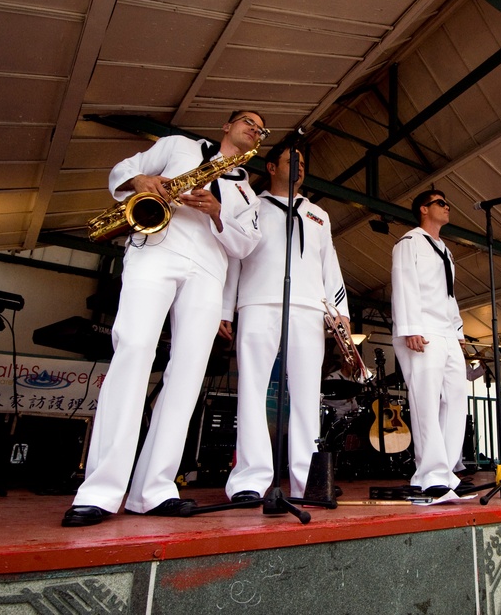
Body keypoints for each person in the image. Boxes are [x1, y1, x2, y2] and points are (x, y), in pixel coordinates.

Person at [61, 110, 267, 527]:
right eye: (247, 120)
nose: (254, 128)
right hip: (157, 248)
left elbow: (246, 246)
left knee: (188, 374)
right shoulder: (179, 147)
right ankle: (100, 490)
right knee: (134, 350)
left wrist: (216, 212)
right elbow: (126, 169)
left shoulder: (249, 195)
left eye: (261, 129)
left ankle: (153, 489)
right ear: (226, 125)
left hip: (209, 272)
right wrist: (141, 182)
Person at [222, 138, 350, 502]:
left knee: (308, 394)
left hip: (309, 307)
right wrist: (224, 308)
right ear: (272, 168)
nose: (299, 167)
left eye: (303, 163)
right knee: (253, 390)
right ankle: (250, 479)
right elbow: (234, 257)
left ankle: (306, 480)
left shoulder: (318, 214)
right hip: (258, 302)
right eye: (290, 161)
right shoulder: (251, 205)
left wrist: (340, 313)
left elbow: (331, 265)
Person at [391, 189, 468, 498]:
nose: (447, 207)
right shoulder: (409, 243)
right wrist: (410, 327)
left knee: (456, 399)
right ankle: (430, 472)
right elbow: (403, 283)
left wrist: (458, 330)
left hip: (447, 331)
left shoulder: (445, 250)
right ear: (423, 209)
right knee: (426, 400)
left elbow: (450, 295)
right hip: (422, 328)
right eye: (440, 203)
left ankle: (447, 470)